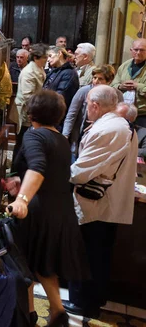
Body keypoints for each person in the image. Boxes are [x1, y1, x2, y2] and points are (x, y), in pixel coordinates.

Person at [6, 90, 87, 327]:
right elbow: (49, 172)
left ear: (31, 112)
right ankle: (58, 311)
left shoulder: (34, 136)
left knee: (22, 265)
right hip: (60, 209)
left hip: (38, 210)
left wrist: (22, 198)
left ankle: (28, 314)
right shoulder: (60, 139)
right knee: (44, 265)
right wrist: (23, 182)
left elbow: (39, 168)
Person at [66, 85, 137, 319]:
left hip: (97, 204)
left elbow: (82, 171)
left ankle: (84, 303)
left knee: (88, 254)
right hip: (105, 203)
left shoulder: (109, 128)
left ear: (95, 105)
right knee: (98, 253)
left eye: (87, 105)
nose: (87, 109)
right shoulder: (117, 124)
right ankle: (93, 298)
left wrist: (56, 174)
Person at [62, 65, 120, 160]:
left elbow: (117, 116)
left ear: (109, 81)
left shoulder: (116, 94)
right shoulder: (83, 91)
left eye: (100, 79)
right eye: (94, 77)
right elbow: (71, 114)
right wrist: (65, 135)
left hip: (101, 133)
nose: (96, 81)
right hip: (80, 132)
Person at [13, 43, 48, 168]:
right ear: (36, 57)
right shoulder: (29, 72)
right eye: (45, 57)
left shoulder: (38, 68)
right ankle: (15, 170)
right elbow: (28, 97)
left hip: (33, 110)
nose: (47, 59)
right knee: (21, 141)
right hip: (26, 112)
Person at [110, 38, 146, 127]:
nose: (138, 52)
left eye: (141, 50)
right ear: (131, 50)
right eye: (136, 50)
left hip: (142, 115)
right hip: (123, 113)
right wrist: (121, 86)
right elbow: (113, 85)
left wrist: (138, 86)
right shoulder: (124, 66)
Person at [43, 46, 79, 129]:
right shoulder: (54, 71)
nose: (48, 60)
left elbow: (60, 97)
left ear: (59, 53)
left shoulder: (69, 73)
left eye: (50, 56)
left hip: (57, 118)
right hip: (48, 114)